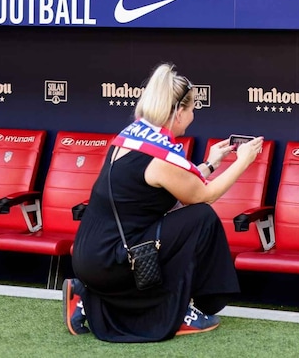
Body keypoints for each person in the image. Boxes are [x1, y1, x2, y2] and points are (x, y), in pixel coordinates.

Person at [64, 63, 264, 342]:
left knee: (181, 219)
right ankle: (181, 310)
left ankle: (85, 297)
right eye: (193, 109)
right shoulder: (159, 158)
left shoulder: (132, 137)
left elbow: (167, 188)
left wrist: (210, 164)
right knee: (200, 218)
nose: (193, 116)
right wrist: (243, 162)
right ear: (178, 112)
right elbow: (205, 196)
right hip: (113, 260)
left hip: (91, 256)